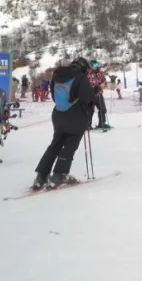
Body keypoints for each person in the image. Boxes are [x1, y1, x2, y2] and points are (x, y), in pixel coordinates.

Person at [32, 57, 95, 190]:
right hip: (75, 116)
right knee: (70, 145)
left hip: (59, 114)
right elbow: (87, 98)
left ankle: (41, 175)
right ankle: (59, 175)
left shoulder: (57, 74)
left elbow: (54, 97)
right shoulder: (80, 77)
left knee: (55, 144)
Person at [88, 61, 111, 130]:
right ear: (91, 66)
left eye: (97, 65)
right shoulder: (88, 73)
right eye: (94, 65)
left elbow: (104, 81)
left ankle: (102, 123)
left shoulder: (100, 73)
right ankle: (87, 125)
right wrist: (94, 87)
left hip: (99, 94)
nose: (96, 66)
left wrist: (103, 84)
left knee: (102, 109)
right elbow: (86, 83)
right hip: (90, 95)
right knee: (90, 110)